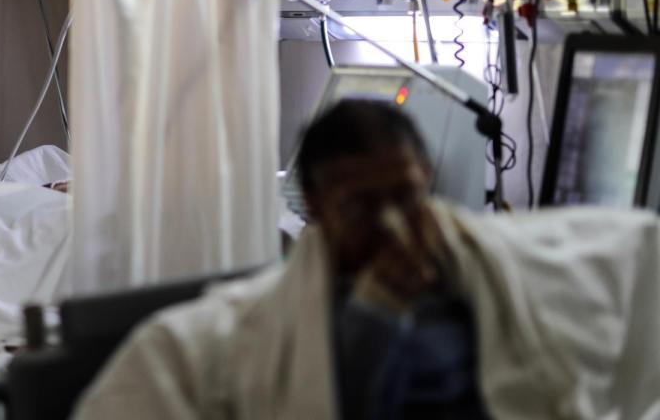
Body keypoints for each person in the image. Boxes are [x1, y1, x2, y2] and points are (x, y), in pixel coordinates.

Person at [74, 100, 660, 419]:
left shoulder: (479, 273)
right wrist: (376, 312)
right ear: (319, 210)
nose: (391, 224)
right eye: (359, 207)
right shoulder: (243, 333)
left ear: (426, 180)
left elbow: (629, 250)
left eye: (405, 196)